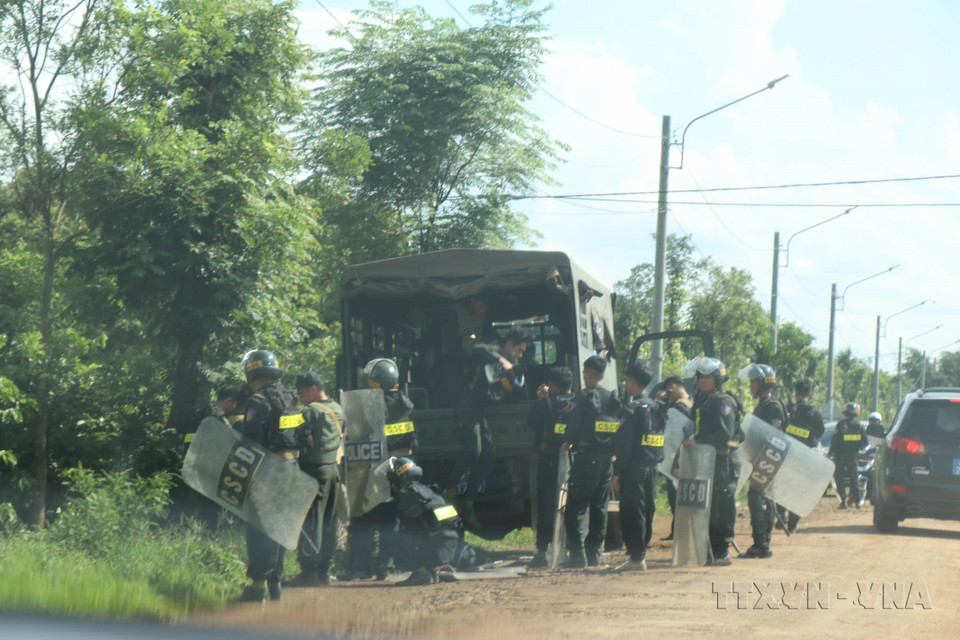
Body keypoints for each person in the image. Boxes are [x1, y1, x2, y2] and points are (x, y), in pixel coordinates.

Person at [444, 327, 533, 529]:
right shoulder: (491, 349)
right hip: (467, 404)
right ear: (509, 345)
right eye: (519, 350)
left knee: (489, 453)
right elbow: (478, 348)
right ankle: (448, 492)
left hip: (481, 408)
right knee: (473, 450)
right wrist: (503, 361)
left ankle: (467, 500)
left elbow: (506, 386)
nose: (520, 355)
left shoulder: (512, 365)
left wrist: (513, 380)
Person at [237, 349, 304, 602]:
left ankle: (257, 588)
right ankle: (275, 584)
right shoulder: (289, 397)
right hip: (292, 469)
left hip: (267, 472)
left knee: (259, 528)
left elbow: (251, 441)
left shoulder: (258, 401)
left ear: (252, 371)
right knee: (280, 527)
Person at [342, 358, 416, 581]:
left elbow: (355, 437)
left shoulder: (367, 406)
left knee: (362, 518)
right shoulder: (405, 404)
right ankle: (386, 565)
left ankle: (360, 567)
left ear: (374, 383)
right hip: (397, 470)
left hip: (369, 469)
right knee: (390, 520)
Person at [366, 457, 462, 586]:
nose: (392, 484)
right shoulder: (428, 490)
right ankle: (431, 571)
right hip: (450, 550)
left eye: (392, 480)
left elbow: (388, 520)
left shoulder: (407, 494)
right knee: (415, 529)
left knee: (388, 537)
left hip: (435, 551)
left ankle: (421, 573)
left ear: (401, 477)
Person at [563, 355, 620, 568]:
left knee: (576, 505)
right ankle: (594, 554)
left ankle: (577, 556)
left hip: (586, 457)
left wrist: (568, 441)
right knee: (599, 506)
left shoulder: (582, 396)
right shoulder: (613, 398)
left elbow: (572, 425)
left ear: (587, 373)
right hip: (607, 459)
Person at [684, 357, 742, 567]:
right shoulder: (702, 400)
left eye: (707, 377)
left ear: (717, 379)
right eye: (700, 377)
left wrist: (697, 441)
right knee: (707, 505)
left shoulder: (722, 401)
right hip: (708, 460)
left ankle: (722, 550)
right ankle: (709, 549)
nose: (702, 381)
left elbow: (724, 433)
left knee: (721, 504)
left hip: (723, 460)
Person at [288, 371, 343, 587]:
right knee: (329, 521)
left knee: (312, 520)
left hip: (313, 471)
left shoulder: (310, 412)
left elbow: (291, 432)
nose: (301, 397)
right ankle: (323, 571)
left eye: (302, 392)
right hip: (333, 470)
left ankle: (309, 571)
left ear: (313, 389)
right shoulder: (338, 408)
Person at [613, 362, 664, 571]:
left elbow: (623, 445)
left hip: (633, 469)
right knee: (647, 508)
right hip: (653, 467)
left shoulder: (630, 410)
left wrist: (617, 472)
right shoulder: (658, 407)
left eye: (627, 380)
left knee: (632, 511)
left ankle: (636, 557)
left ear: (632, 382)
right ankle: (640, 552)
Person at [526, 366, 576, 568]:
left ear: (553, 386)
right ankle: (575, 551)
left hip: (548, 460)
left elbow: (531, 423)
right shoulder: (578, 402)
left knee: (546, 505)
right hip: (571, 460)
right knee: (572, 504)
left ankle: (541, 553)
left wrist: (541, 400)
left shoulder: (547, 403)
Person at [738, 363, 788, 559]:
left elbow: (775, 435)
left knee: (758, 499)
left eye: (753, 383)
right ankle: (763, 544)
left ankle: (761, 544)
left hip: (768, 459)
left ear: (762, 383)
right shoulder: (765, 405)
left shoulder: (773, 407)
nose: (751, 386)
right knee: (763, 499)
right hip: (762, 459)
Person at [781, 379, 826, 532]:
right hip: (804, 456)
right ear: (810, 395)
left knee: (783, 485)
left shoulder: (787, 409)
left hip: (787, 453)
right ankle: (792, 525)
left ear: (796, 393)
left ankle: (781, 515)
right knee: (799, 489)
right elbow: (820, 431)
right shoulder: (814, 412)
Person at [657, 375, 693, 541]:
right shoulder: (692, 402)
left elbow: (673, 428)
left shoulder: (679, 406)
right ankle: (677, 529)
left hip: (678, 456)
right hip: (686, 455)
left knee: (675, 494)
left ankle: (679, 530)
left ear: (673, 386)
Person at [831, 402, 865, 509]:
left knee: (839, 478)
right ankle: (858, 501)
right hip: (853, 457)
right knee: (854, 478)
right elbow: (865, 443)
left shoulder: (841, 425)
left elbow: (835, 441)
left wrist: (830, 452)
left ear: (845, 412)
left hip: (840, 456)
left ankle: (843, 502)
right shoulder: (859, 426)